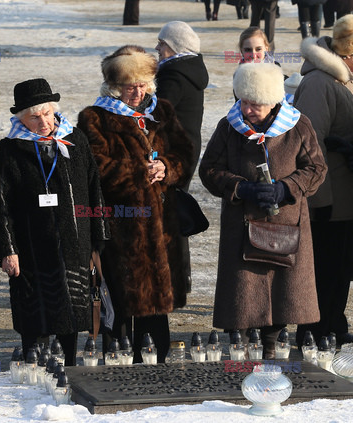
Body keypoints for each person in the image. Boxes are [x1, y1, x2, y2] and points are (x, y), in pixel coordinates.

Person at [199, 62, 327, 359]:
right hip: (241, 226)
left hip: (286, 226)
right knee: (242, 298)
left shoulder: (298, 125)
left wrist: (287, 188)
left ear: (272, 101)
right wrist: (240, 188)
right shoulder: (229, 127)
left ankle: (273, 354)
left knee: (281, 296)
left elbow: (316, 169)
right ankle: (239, 360)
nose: (246, 109)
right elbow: (209, 170)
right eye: (243, 101)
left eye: (254, 103)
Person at [77, 45, 194, 362]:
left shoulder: (162, 111)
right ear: (115, 87)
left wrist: (167, 168)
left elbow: (185, 153)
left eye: (143, 84)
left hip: (162, 229)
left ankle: (157, 361)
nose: (138, 92)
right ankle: (118, 362)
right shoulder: (95, 118)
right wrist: (141, 173)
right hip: (121, 228)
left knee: (156, 306)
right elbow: (97, 169)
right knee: (120, 303)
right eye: (130, 86)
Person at [0, 78, 109, 366]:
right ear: (21, 119)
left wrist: (99, 237)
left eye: (47, 114)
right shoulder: (8, 151)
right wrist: (6, 249)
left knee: (72, 315)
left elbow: (94, 189)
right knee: (35, 317)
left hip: (75, 244)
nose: (43, 122)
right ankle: (34, 367)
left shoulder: (74, 139)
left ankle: (69, 367)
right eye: (34, 117)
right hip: (30, 250)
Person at [294, 15, 353, 348]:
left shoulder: (342, 80)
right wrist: (320, 200)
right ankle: (315, 332)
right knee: (323, 271)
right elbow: (309, 145)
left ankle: (333, 322)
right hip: (328, 200)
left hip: (344, 199)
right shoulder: (321, 83)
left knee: (339, 269)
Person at [155, 21, 209, 299]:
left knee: (169, 216)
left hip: (172, 156)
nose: (157, 49)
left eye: (162, 44)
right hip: (185, 152)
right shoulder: (190, 70)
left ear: (175, 47)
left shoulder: (173, 75)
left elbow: (157, 114)